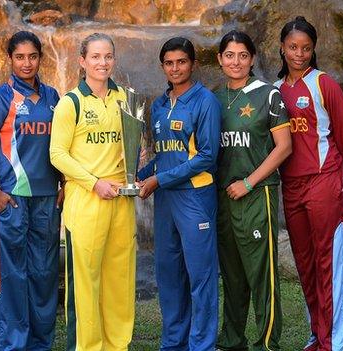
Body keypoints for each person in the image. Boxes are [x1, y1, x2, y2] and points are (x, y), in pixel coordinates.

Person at [275, 16, 343, 351]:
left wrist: (340, 176)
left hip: (325, 182)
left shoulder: (323, 83)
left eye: (306, 48)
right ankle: (318, 335)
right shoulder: (276, 89)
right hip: (291, 187)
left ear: (314, 50)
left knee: (329, 262)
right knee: (305, 262)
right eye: (293, 47)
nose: (299, 54)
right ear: (282, 48)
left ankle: (335, 342)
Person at [50, 32, 136, 351]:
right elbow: (57, 154)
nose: (103, 63)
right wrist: (93, 182)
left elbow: (128, 145)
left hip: (120, 200)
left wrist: (136, 156)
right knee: (85, 282)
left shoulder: (124, 98)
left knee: (119, 278)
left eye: (108, 57)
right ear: (83, 61)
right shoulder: (70, 102)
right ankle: (88, 346)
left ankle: (118, 344)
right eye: (96, 57)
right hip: (86, 200)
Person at [0, 31, 62, 350]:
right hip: (10, 199)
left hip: (46, 200)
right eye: (20, 57)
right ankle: (13, 344)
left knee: (43, 273)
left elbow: (62, 146)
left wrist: (64, 184)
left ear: (41, 58)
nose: (27, 63)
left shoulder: (55, 97)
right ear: (9, 59)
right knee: (12, 277)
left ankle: (41, 343)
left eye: (33, 56)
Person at [137, 37, 221, 351]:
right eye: (169, 63)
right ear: (163, 66)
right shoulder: (159, 104)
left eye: (181, 62)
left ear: (192, 64)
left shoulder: (205, 102)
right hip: (165, 200)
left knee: (200, 276)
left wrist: (158, 179)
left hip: (194, 197)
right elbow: (163, 154)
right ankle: (174, 342)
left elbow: (206, 156)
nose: (175, 68)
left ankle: (202, 344)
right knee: (169, 276)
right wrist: (139, 177)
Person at [214, 30, 292, 351]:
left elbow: (284, 147)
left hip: (257, 195)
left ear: (252, 59)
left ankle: (266, 342)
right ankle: (232, 340)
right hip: (223, 198)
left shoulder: (268, 94)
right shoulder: (213, 98)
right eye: (229, 55)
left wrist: (249, 182)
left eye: (243, 55)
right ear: (220, 59)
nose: (236, 62)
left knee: (261, 273)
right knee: (232, 274)